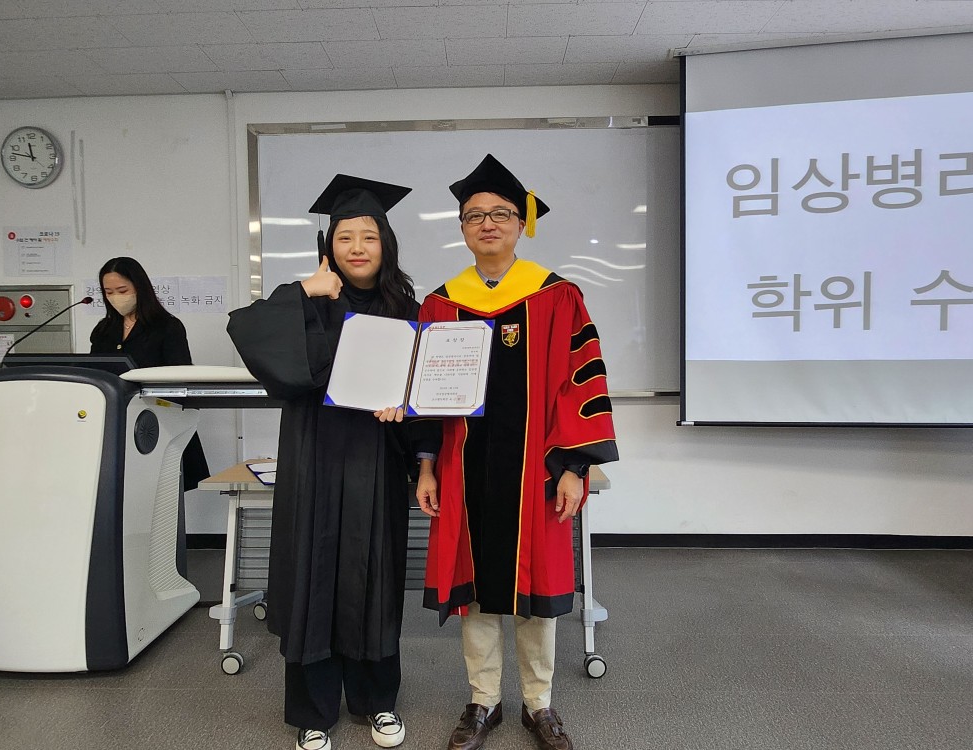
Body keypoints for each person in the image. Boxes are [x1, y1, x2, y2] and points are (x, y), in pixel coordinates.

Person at [415, 155, 619, 750]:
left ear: (522, 223)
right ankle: (483, 700)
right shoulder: (440, 304)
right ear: (461, 227)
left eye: (501, 213)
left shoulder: (558, 296)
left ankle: (538, 702)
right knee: (476, 589)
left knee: (536, 590)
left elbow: (581, 383)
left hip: (538, 471)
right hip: (464, 469)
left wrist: (575, 466)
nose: (488, 223)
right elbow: (422, 395)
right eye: (474, 215)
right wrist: (426, 465)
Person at [226, 175, 426, 750]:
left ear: (386, 244)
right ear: (328, 246)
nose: (357, 247)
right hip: (314, 457)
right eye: (345, 237)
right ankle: (313, 713)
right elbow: (247, 330)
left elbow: (427, 392)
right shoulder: (308, 301)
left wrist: (408, 413)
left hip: (375, 461)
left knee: (373, 579)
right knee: (312, 579)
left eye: (369, 236)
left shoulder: (407, 310)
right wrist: (303, 288)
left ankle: (376, 702)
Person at [90, 256, 210, 492]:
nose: (115, 297)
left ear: (139, 287)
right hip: (115, 425)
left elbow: (181, 375)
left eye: (122, 290)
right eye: (109, 292)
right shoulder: (103, 329)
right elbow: (96, 373)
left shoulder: (167, 326)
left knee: (161, 493)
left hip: (158, 422)